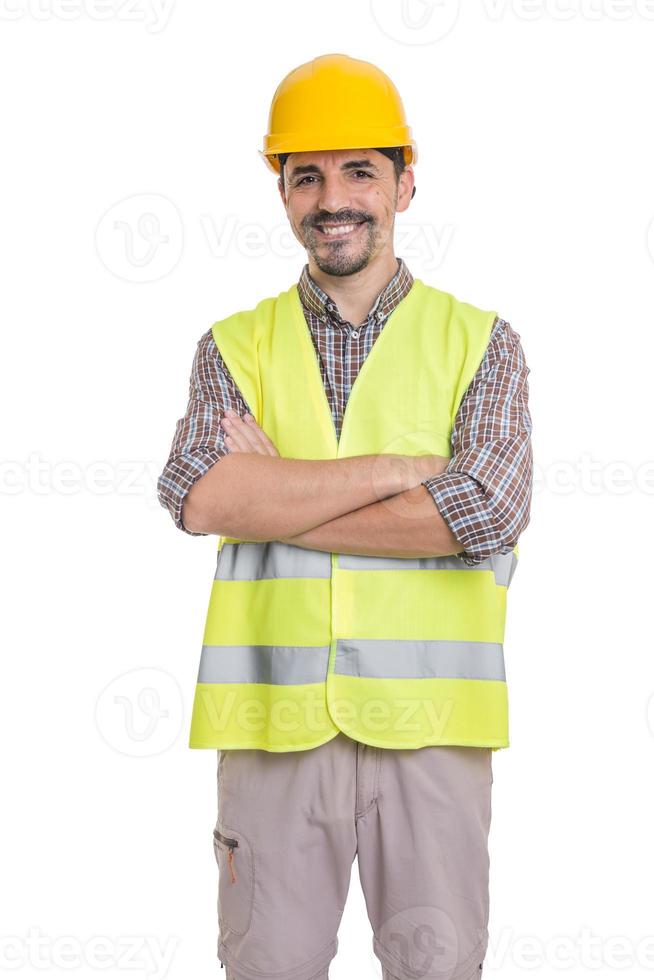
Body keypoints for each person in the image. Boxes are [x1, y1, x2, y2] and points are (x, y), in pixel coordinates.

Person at [157, 52, 533, 980]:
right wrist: (403, 471)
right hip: (271, 736)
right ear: (282, 191)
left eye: (359, 170)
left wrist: (274, 497)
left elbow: (482, 509)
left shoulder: (480, 341)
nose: (334, 198)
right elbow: (200, 495)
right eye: (306, 175)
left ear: (406, 181)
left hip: (434, 738)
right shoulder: (231, 346)